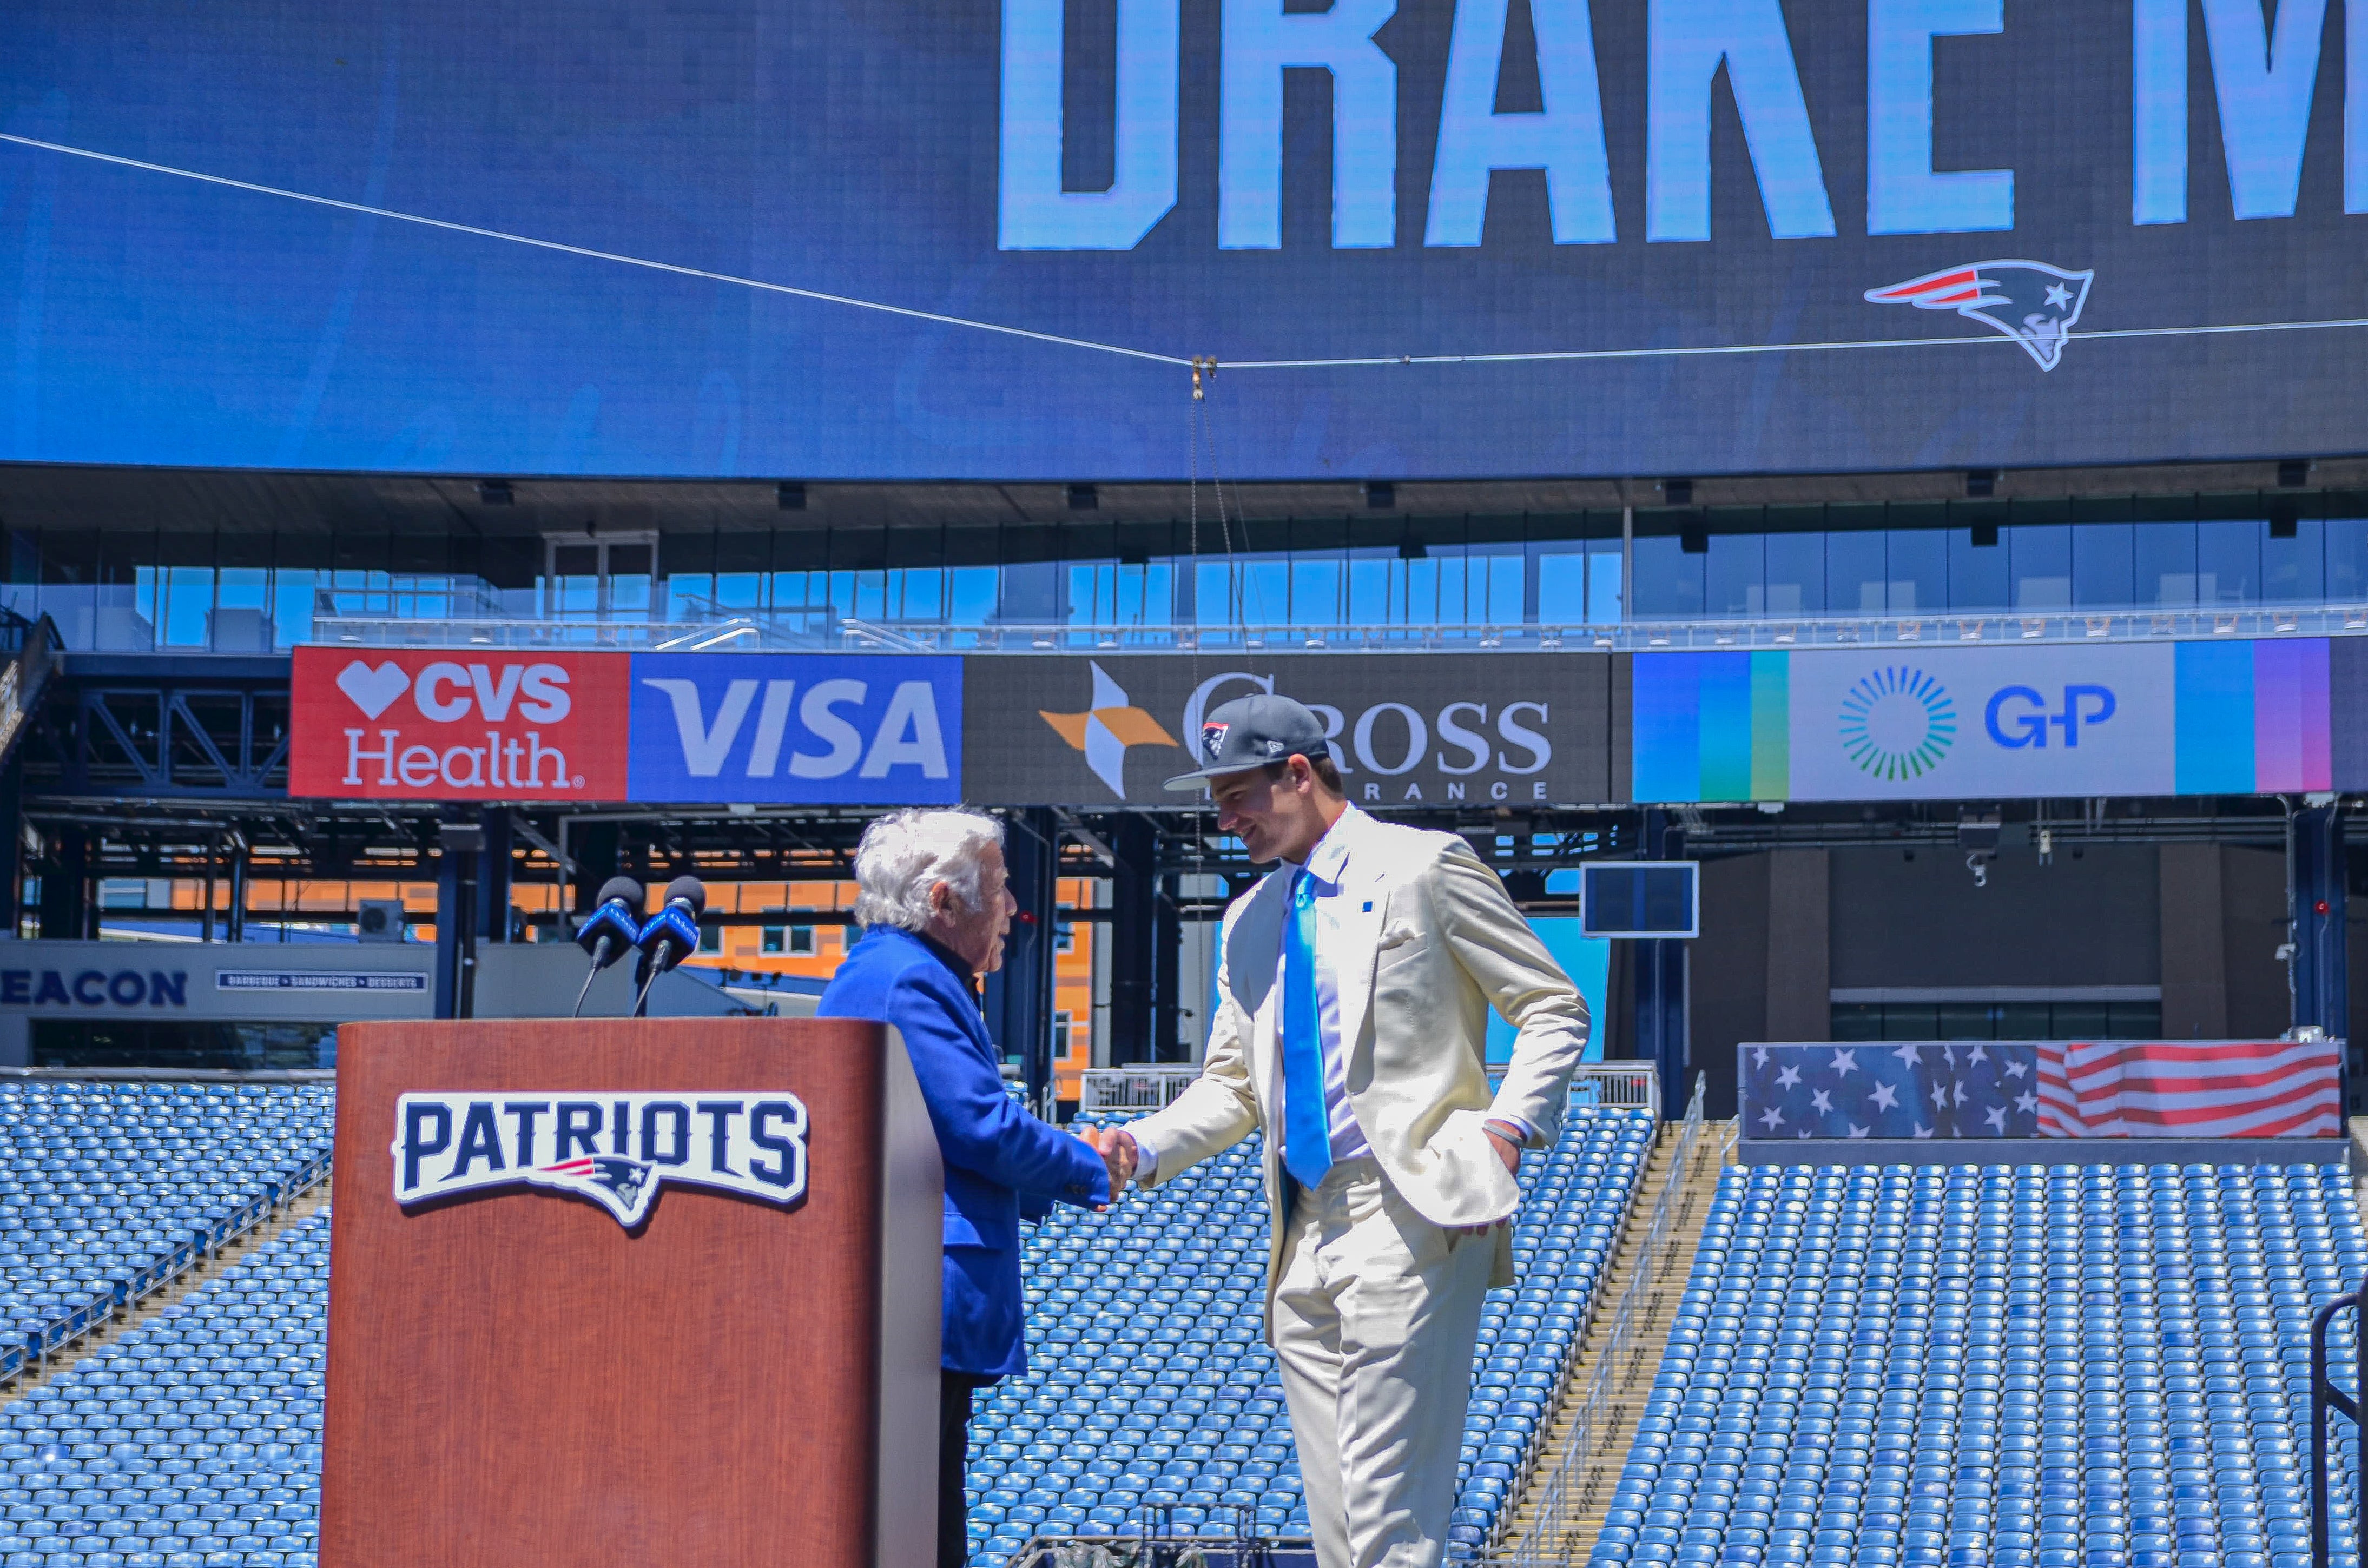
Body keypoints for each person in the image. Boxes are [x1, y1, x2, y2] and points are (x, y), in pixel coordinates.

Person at [1085, 693, 1588, 1568]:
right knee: (1339, 1527)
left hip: (1407, 1209)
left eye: (1236, 796)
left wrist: (1504, 1131)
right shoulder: (1246, 920)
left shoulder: (1425, 865)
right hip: (1302, 1229)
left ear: (1297, 773)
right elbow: (1232, 1087)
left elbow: (1551, 1006)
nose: (1224, 820)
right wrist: (1143, 1144)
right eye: (1217, 802)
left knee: (1389, 1520)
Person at [817, 807, 1126, 1568]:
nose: (1014, 908)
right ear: (943, 901)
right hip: (915, 1294)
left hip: (909, 1293)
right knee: (923, 1530)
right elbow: (979, 1125)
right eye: (1000, 887)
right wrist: (1089, 1162)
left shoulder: (898, 970)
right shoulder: (908, 979)